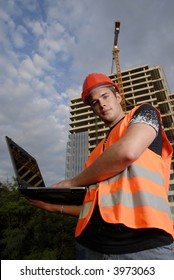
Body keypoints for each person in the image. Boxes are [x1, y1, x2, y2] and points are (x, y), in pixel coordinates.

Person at [30, 73, 174, 260]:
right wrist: (53, 206)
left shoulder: (144, 113)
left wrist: (72, 182)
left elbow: (127, 152)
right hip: (90, 247)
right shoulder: (95, 156)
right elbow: (95, 206)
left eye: (105, 96)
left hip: (143, 246)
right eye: (95, 102)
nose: (101, 104)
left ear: (118, 97)